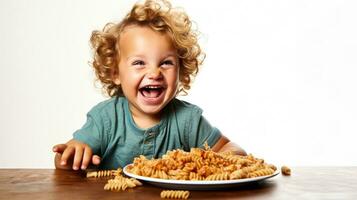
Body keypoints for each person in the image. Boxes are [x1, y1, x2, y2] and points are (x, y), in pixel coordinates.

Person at [52, 0, 245, 170]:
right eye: (139, 63)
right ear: (115, 73)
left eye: (166, 63)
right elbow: (66, 158)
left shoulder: (188, 121)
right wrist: (71, 157)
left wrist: (219, 161)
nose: (154, 73)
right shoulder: (106, 120)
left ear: (181, 70)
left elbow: (232, 149)